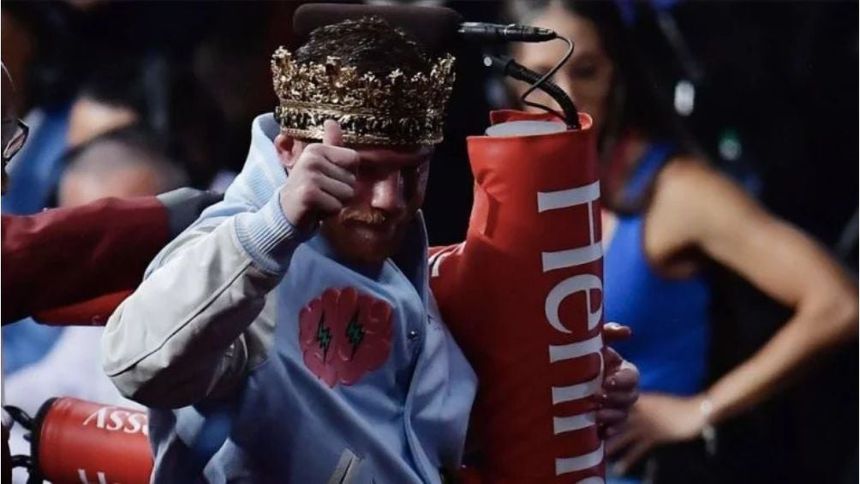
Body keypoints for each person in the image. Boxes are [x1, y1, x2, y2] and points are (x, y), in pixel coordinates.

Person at [101, 15, 638, 482]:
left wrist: (566, 385)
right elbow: (134, 362)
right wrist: (275, 226)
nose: (390, 201)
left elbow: (408, 440)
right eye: (362, 170)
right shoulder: (237, 253)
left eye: (412, 171)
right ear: (288, 150)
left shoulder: (399, 267)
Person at [506, 0, 858, 481]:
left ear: (616, 76)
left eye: (586, 70)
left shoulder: (677, 192)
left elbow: (839, 302)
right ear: (513, 86)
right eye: (542, 76)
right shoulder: (520, 199)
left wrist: (702, 409)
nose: (565, 94)